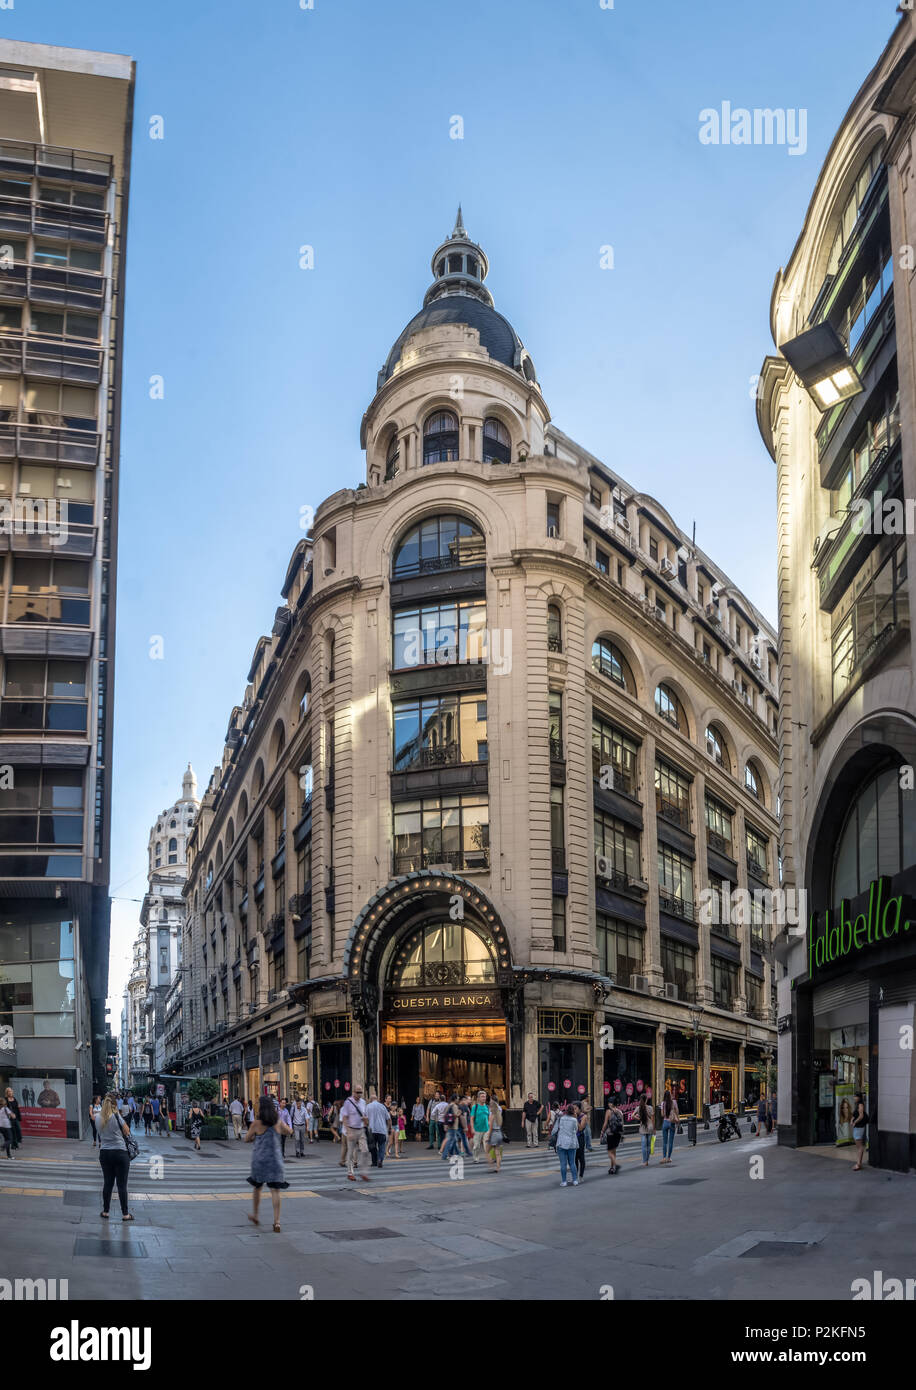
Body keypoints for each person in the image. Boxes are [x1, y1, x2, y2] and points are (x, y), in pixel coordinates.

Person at [245, 1095, 291, 1232]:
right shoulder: (277, 1121)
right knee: (275, 1191)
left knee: (257, 1188)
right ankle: (277, 1222)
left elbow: (246, 1139)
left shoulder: (256, 1123)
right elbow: (289, 1131)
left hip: (259, 1160)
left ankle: (256, 1215)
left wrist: (254, 1137)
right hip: (275, 1161)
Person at [97, 1092, 134, 1221]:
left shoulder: (98, 1117)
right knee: (122, 1185)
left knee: (108, 1183)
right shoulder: (117, 1116)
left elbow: (100, 1133)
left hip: (105, 1153)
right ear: (114, 1105)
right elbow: (127, 1131)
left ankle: (106, 1211)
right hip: (120, 1153)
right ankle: (125, 1214)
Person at [341, 1085, 371, 1181]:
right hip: (351, 1129)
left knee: (365, 1151)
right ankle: (350, 1173)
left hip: (361, 1129)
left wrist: (366, 1120)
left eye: (360, 1092)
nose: (359, 1094)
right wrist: (348, 1131)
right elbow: (345, 1118)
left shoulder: (363, 1102)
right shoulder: (348, 1102)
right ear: (353, 1092)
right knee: (351, 1153)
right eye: (357, 1092)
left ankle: (364, 1173)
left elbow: (365, 1116)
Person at [550, 1104, 580, 1186]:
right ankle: (575, 1180)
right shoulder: (574, 1120)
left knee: (563, 1164)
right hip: (572, 1143)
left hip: (561, 1142)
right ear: (573, 1111)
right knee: (572, 1163)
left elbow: (555, 1130)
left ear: (566, 1111)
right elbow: (576, 1130)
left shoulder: (561, 1119)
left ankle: (564, 1181)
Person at [599, 1097, 624, 1174]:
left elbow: (605, 1123)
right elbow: (622, 1124)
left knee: (610, 1152)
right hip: (618, 1134)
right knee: (614, 1151)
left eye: (609, 1102)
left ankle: (616, 1165)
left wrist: (602, 1132)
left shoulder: (608, 1111)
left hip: (611, 1133)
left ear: (611, 1103)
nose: (608, 1104)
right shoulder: (620, 1112)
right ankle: (612, 1168)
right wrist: (622, 1134)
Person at [366, 1092, 390, 1168]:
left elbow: (365, 1119)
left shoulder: (368, 1106)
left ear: (371, 1099)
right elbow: (388, 1119)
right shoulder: (383, 1106)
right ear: (377, 1099)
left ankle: (374, 1162)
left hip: (372, 1130)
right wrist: (389, 1128)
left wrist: (366, 1127)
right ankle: (380, 1160)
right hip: (382, 1130)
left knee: (372, 1146)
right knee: (382, 1146)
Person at [660, 1087, 679, 1165]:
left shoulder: (662, 1103)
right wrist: (677, 1119)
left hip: (665, 1123)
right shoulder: (674, 1102)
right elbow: (677, 1111)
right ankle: (669, 1158)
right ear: (670, 1095)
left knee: (664, 1142)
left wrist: (666, 1113)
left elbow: (662, 1114)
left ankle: (664, 1157)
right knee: (670, 1141)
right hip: (672, 1123)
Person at [470, 1090, 490, 1162]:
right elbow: (471, 1119)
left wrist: (490, 1125)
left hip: (486, 1129)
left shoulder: (487, 1107)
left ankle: (491, 1158)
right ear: (478, 1098)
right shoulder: (474, 1107)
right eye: (482, 1097)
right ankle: (476, 1158)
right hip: (477, 1129)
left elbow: (489, 1118)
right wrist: (472, 1128)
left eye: (484, 1096)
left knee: (487, 1145)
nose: (484, 1098)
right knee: (476, 1146)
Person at [487, 1095, 504, 1172]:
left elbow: (490, 1127)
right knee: (497, 1152)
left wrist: (488, 1136)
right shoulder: (499, 1114)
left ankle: (491, 1165)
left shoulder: (492, 1114)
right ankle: (498, 1167)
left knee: (487, 1150)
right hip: (499, 1133)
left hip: (493, 1133)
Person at [851, 1094, 868, 1171]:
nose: (854, 1098)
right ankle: (858, 1163)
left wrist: (855, 1122)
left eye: (856, 1096)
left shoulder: (860, 1104)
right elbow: (855, 1115)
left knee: (860, 1146)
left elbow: (861, 1116)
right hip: (857, 1127)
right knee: (858, 1146)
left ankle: (858, 1164)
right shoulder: (857, 1104)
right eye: (854, 1096)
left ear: (859, 1097)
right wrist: (852, 1120)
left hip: (859, 1126)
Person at [638, 1095, 655, 1166]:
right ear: (646, 1100)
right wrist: (654, 1128)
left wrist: (639, 1119)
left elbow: (633, 1115)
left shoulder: (639, 1108)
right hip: (650, 1127)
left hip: (643, 1127)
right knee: (648, 1146)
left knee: (644, 1146)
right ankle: (646, 1161)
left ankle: (644, 1161)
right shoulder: (650, 1108)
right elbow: (652, 1119)